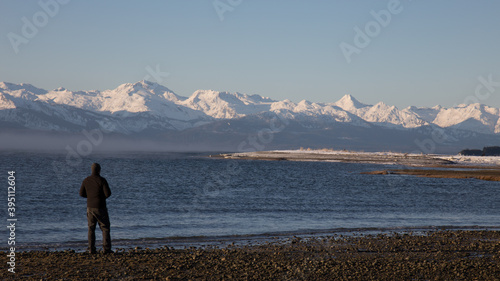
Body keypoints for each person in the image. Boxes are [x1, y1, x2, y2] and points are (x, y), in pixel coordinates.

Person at [79, 163, 112, 254]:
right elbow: (108, 194)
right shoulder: (102, 180)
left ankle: (91, 249)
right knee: (105, 228)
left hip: (90, 207)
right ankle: (106, 249)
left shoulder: (86, 180)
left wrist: (90, 197)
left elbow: (81, 194)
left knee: (91, 228)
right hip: (101, 207)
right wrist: (100, 197)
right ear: (99, 170)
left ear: (91, 170)